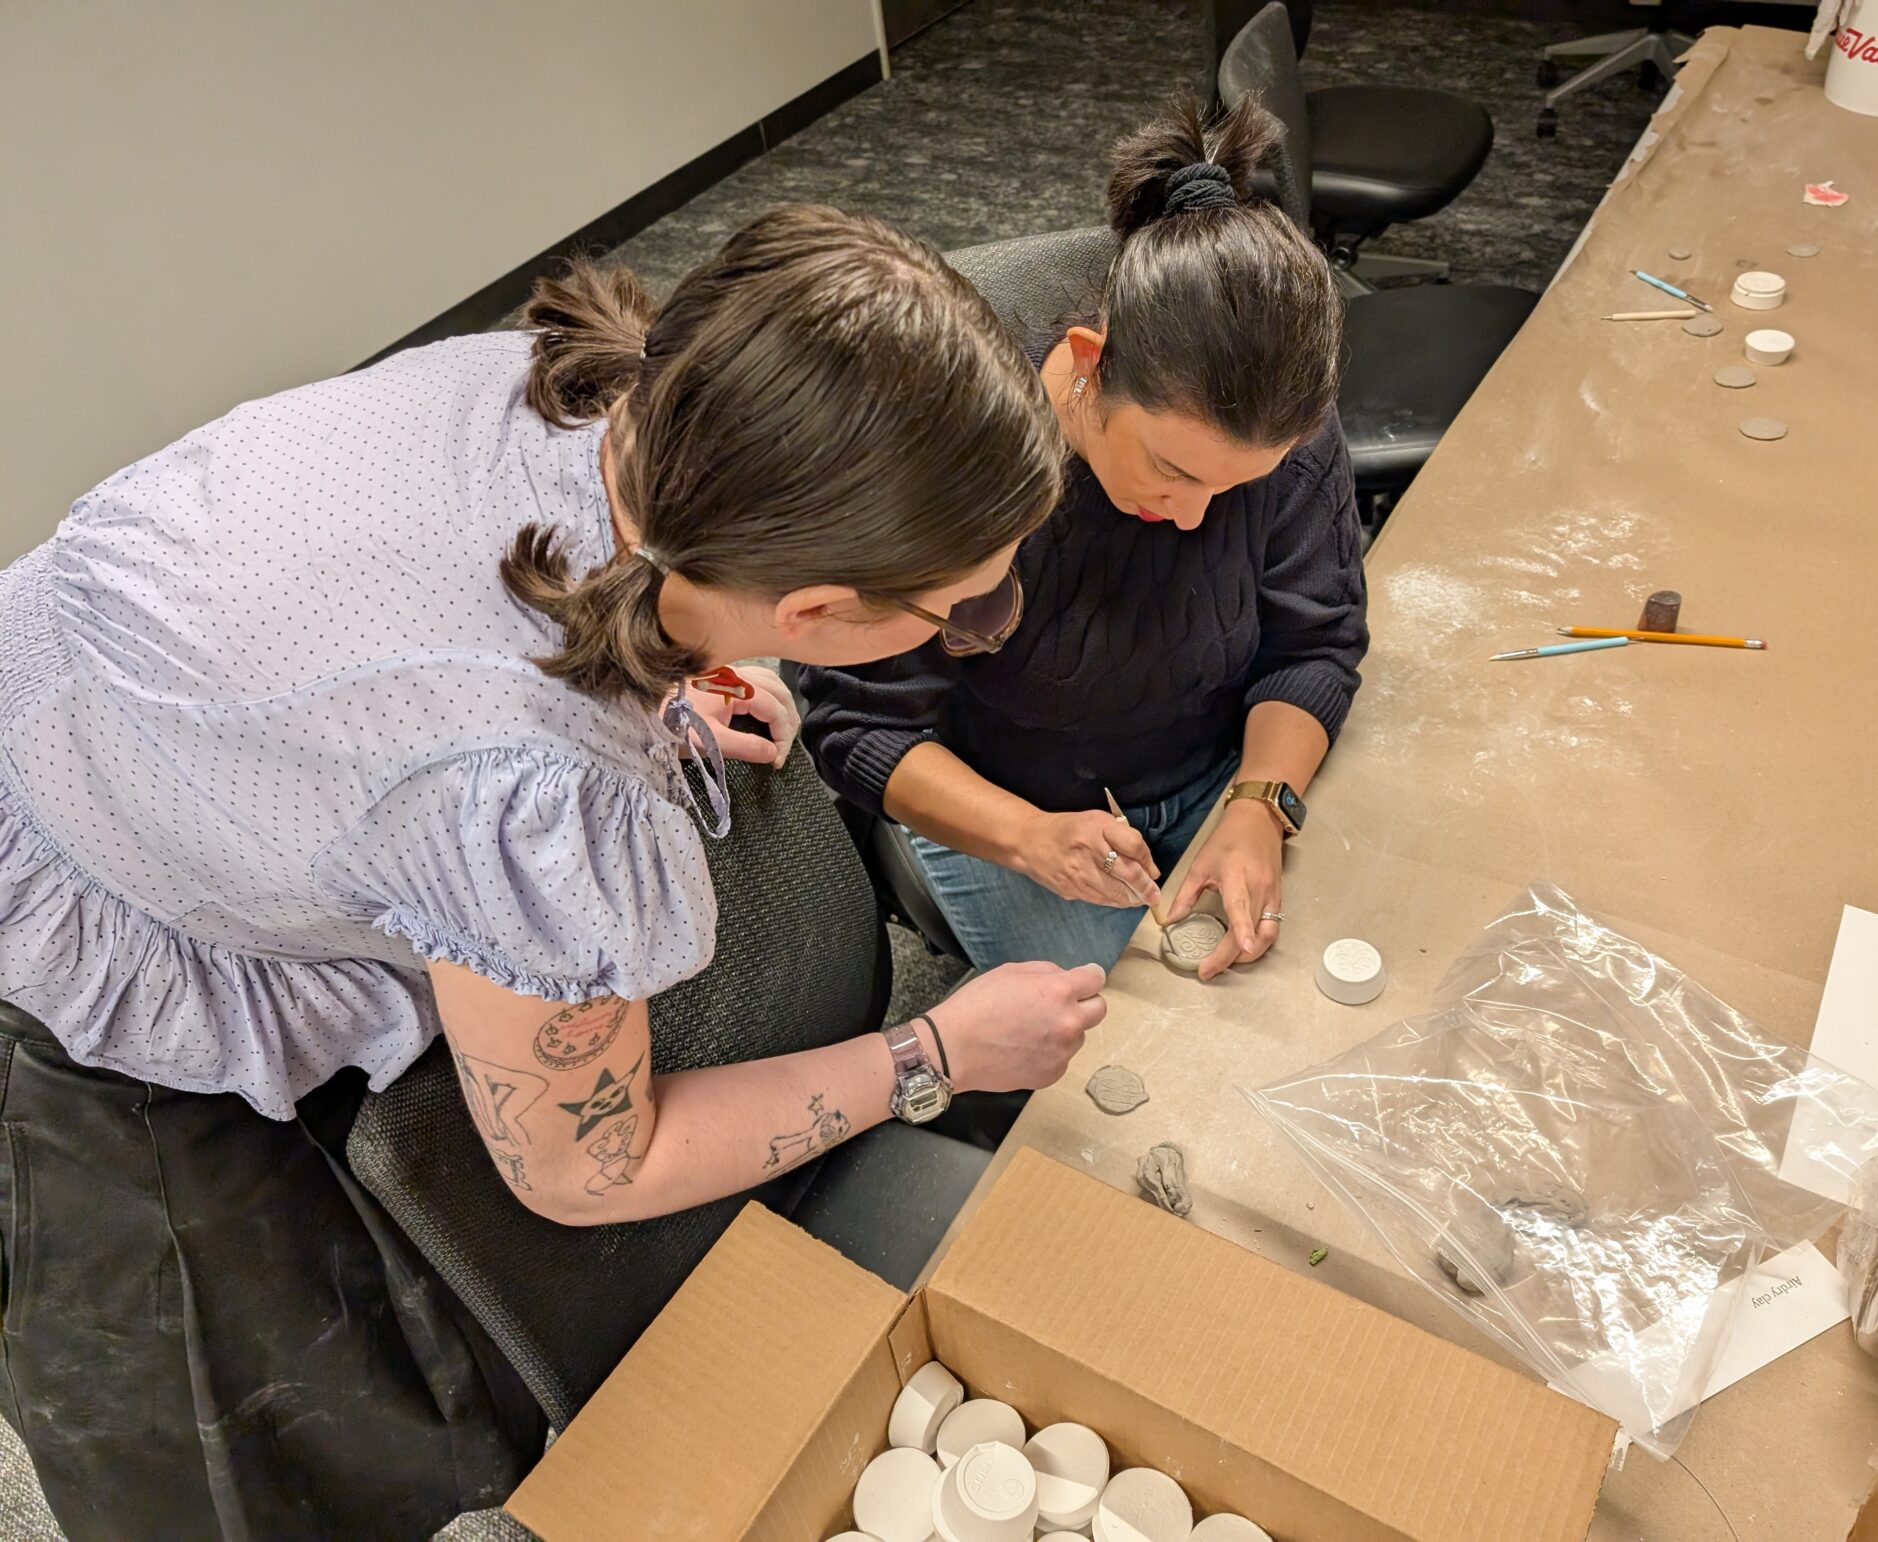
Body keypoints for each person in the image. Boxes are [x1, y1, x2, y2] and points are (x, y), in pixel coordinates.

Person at [0, 205, 1109, 1540]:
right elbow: (589, 1166)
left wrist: (663, 684)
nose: (978, 621)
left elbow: (447, 650)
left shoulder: (595, 386)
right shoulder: (537, 790)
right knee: (271, 1457)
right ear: (811, 614)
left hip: (134, 714)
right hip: (75, 919)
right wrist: (932, 1053)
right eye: (960, 607)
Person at [797, 101, 1367, 981]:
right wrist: (1028, 838)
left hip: (1222, 764)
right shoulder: (945, 460)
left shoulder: (1277, 426)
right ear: (1090, 361)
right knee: (1149, 1046)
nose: (1193, 516)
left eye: (1236, 487)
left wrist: (1260, 802)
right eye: (1172, 470)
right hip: (1010, 809)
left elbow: (1316, 638)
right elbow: (857, 721)